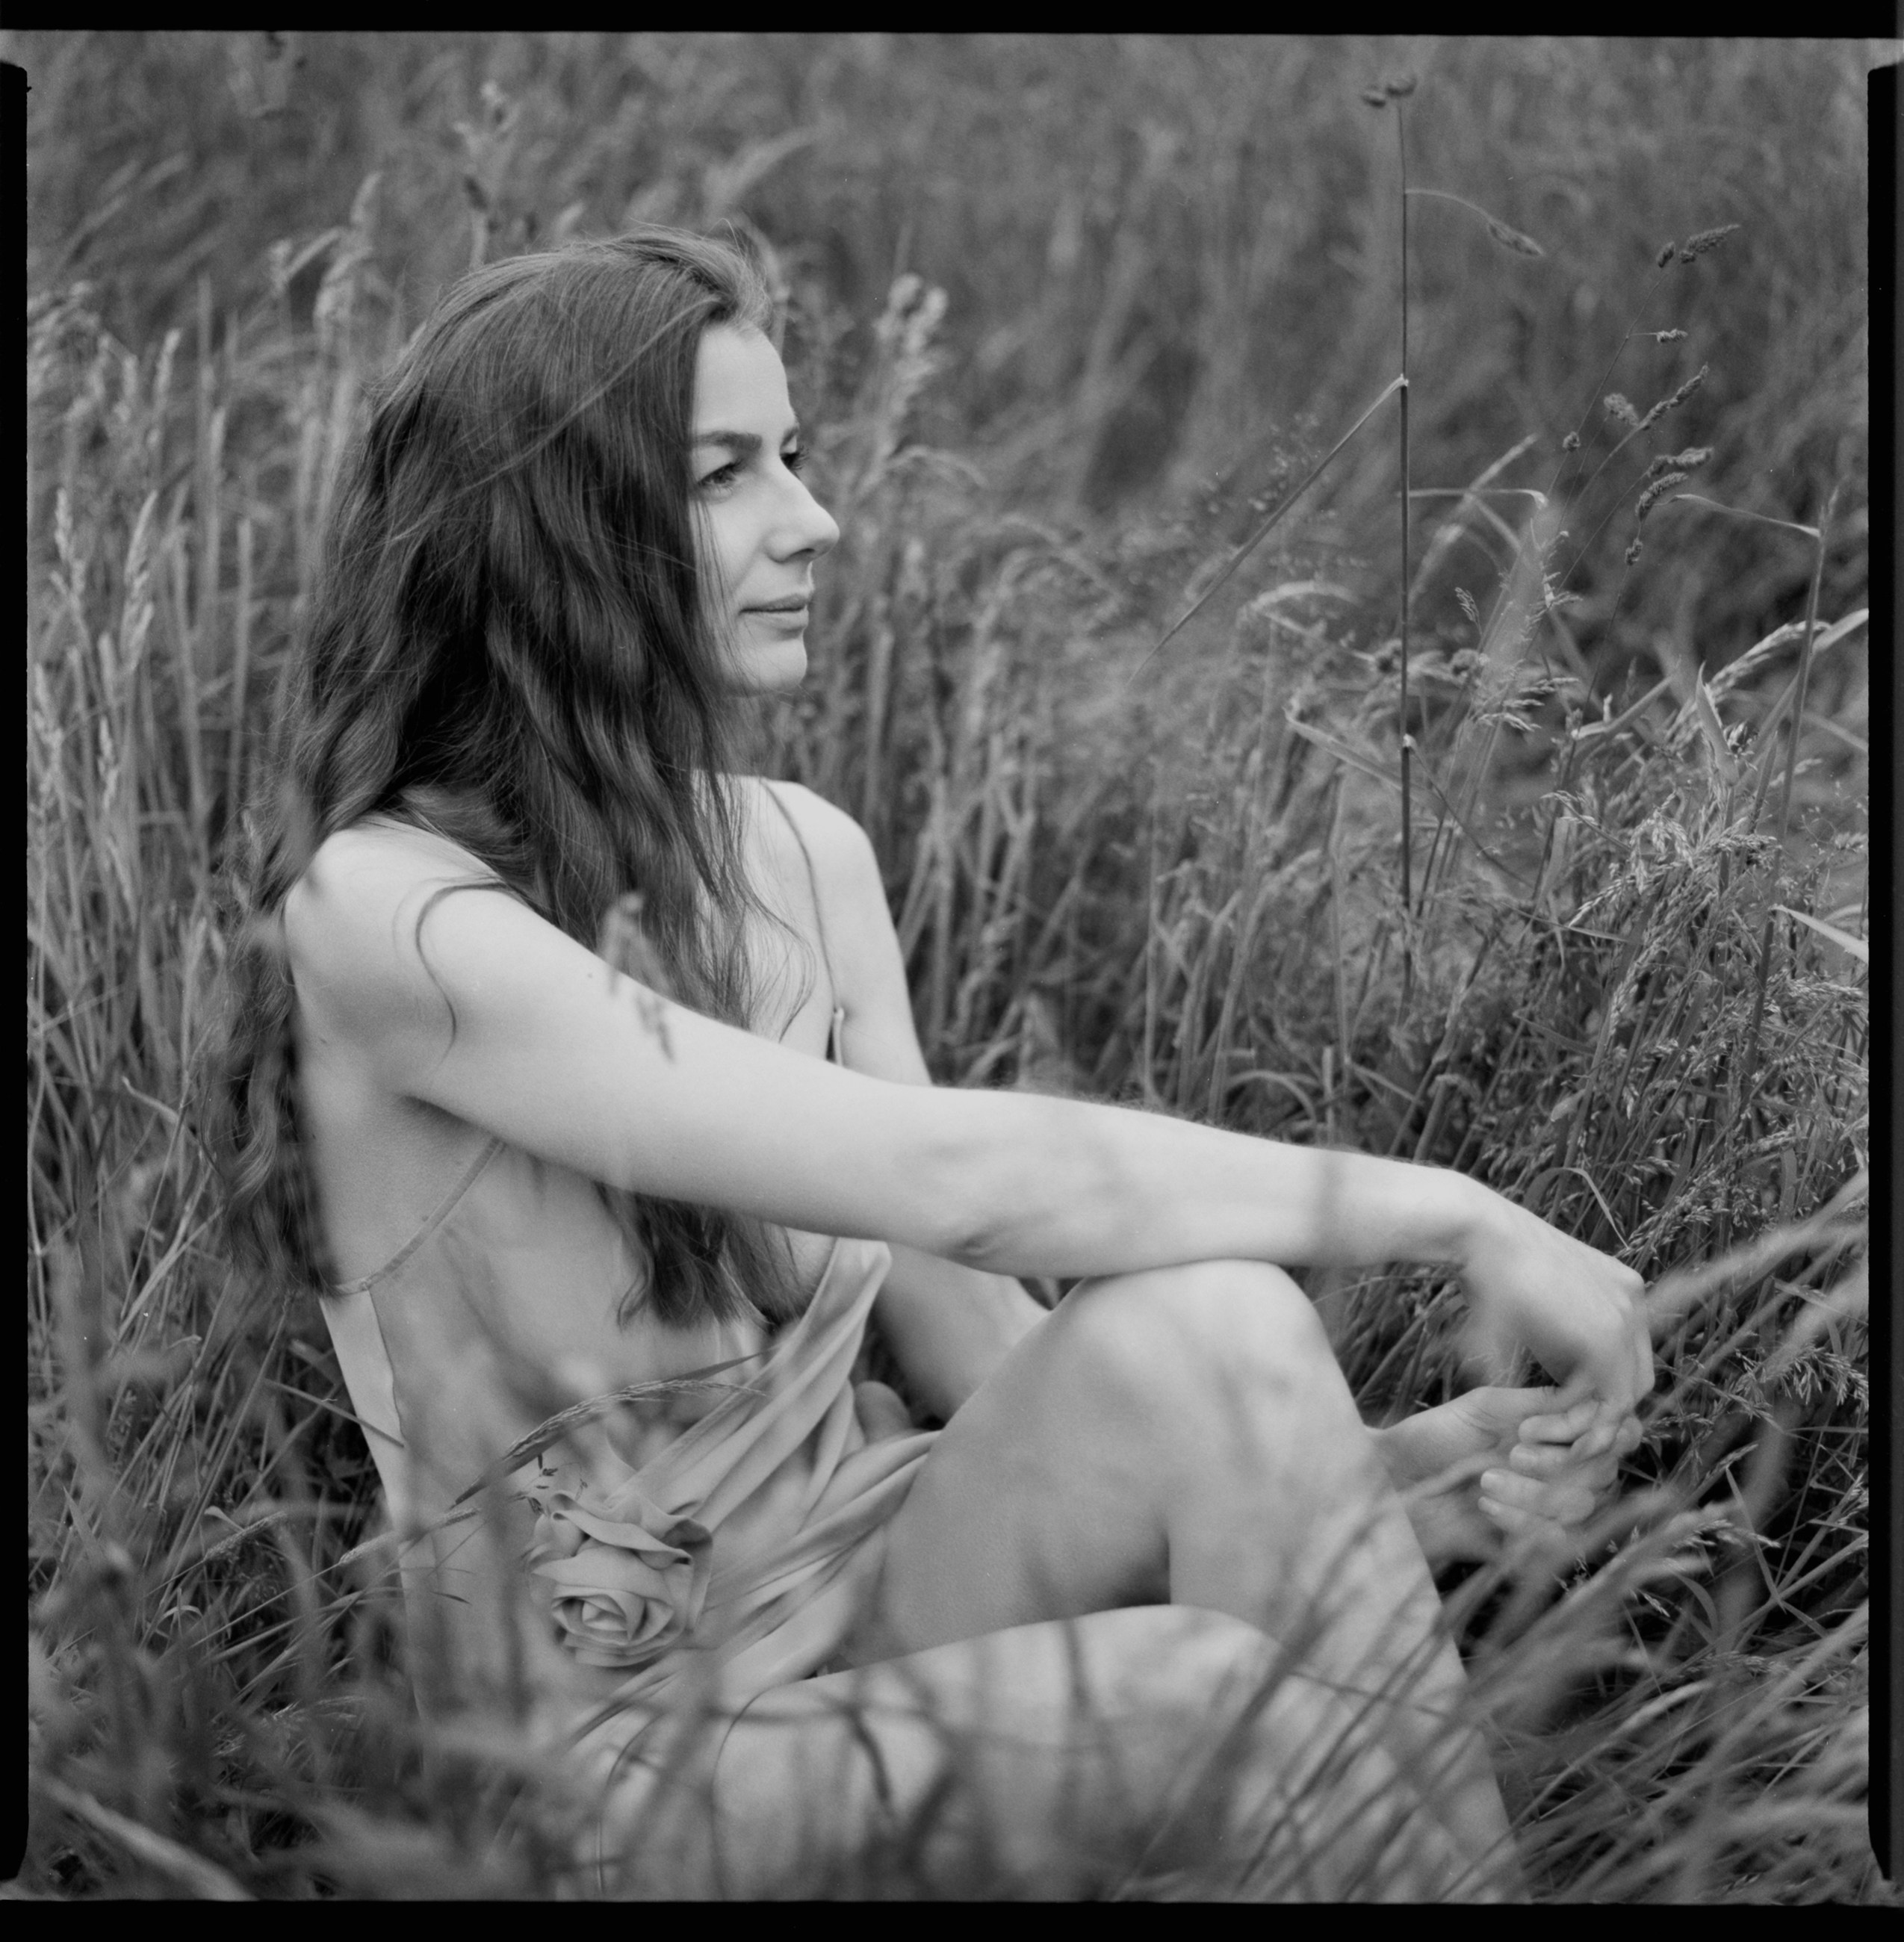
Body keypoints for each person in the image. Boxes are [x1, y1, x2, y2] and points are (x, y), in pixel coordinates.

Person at [214, 226, 1649, 1899]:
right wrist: (1456, 1211)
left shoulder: (803, 859)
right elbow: (961, 1183)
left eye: (798, 457)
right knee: (1214, 1708)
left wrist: (1392, 1485)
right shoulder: (389, 921)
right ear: (560, 534)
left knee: (1223, 1321)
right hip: (606, 1765)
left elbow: (977, 1339)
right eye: (726, 473)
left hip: (879, 1597)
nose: (813, 520)